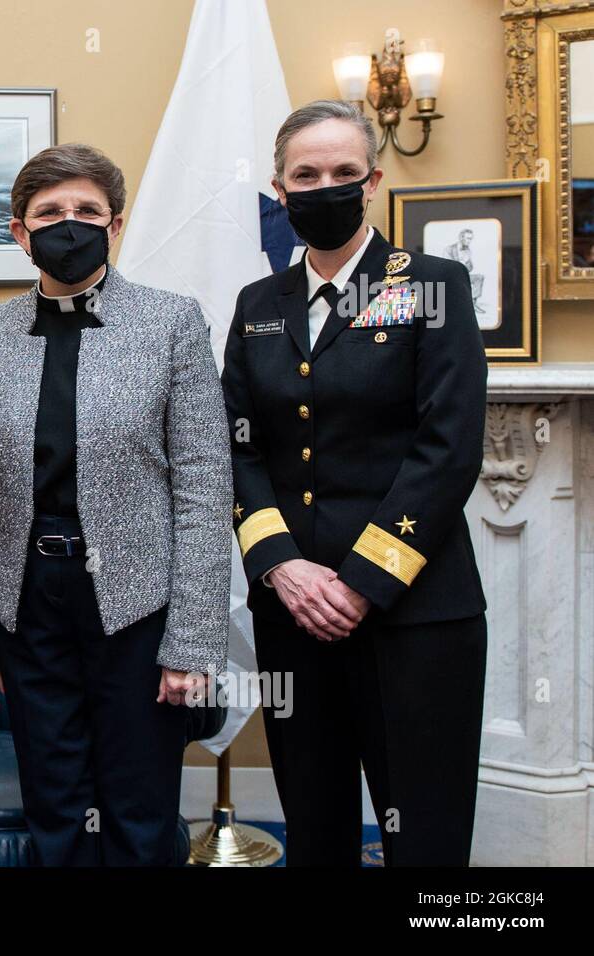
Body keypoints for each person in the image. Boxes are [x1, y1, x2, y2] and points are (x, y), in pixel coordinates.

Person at [0, 143, 232, 866]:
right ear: (20, 232)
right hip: (27, 603)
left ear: (116, 224)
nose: (68, 225)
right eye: (49, 213)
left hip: (138, 602)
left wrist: (193, 641)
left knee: (139, 811)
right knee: (55, 806)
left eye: (86, 210)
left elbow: (204, 488)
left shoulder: (171, 322)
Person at [222, 100, 488, 866]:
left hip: (416, 615)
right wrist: (282, 566)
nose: (324, 187)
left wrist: (362, 583)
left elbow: (448, 449)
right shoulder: (258, 305)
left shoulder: (432, 284)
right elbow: (236, 446)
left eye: (343, 172)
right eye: (306, 175)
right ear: (280, 189)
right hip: (294, 615)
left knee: (426, 839)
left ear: (372, 182)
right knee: (315, 831)